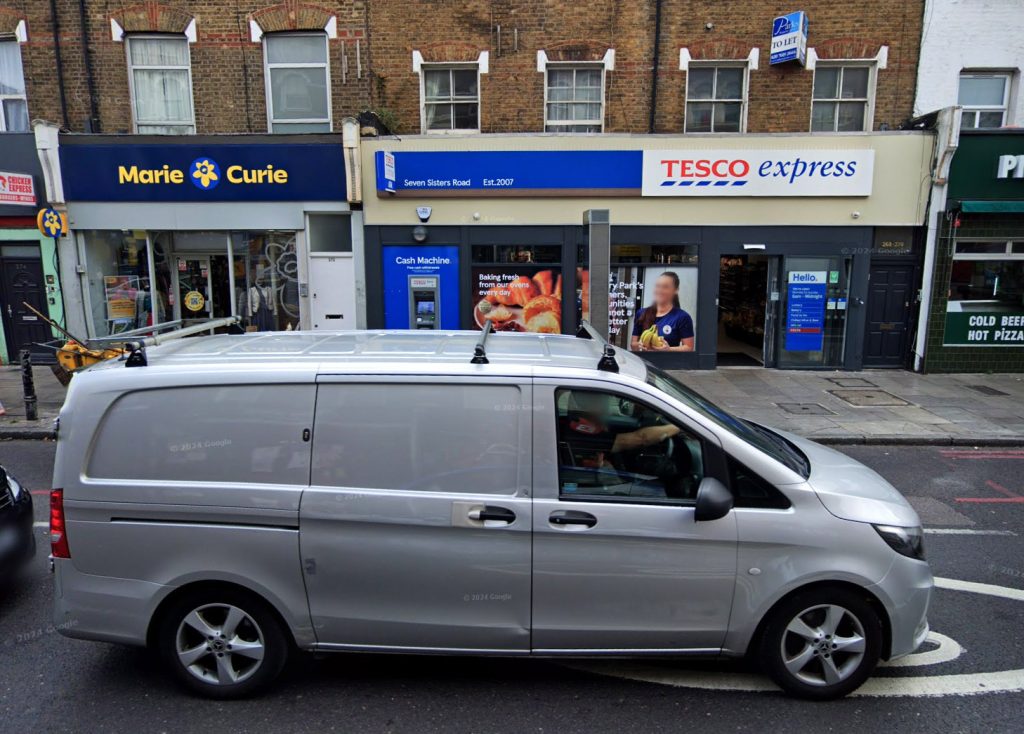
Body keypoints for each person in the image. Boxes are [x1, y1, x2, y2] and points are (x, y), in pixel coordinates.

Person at [559, 391, 680, 470]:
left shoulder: (574, 421)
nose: (605, 407)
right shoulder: (582, 430)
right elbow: (642, 439)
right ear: (585, 406)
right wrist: (678, 426)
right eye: (601, 401)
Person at [630, 271, 695, 352]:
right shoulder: (641, 313)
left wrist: (669, 349)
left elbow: (689, 347)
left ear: (676, 290)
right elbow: (633, 345)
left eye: (665, 287)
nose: (660, 290)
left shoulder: (683, 317)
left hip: (669, 363)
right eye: (658, 286)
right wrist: (639, 345)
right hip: (643, 362)